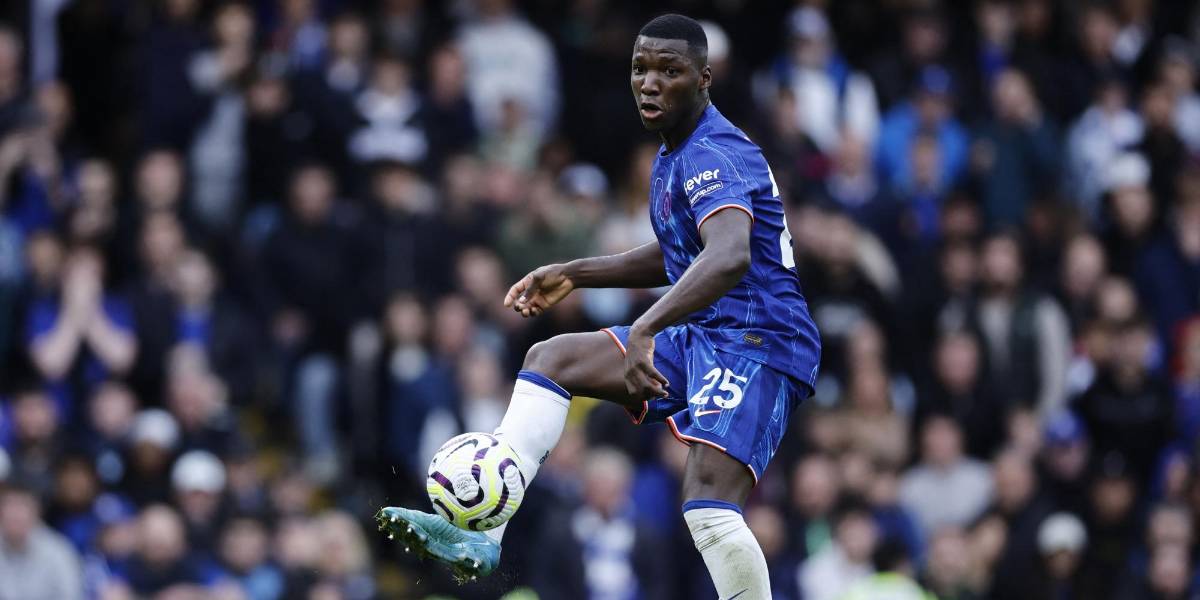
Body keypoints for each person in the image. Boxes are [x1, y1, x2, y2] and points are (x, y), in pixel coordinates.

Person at [378, 14, 822, 599]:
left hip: (760, 341)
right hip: (706, 333)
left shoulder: (716, 152)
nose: (650, 83)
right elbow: (680, 254)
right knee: (551, 359)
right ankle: (483, 534)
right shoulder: (673, 156)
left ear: (704, 78)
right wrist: (575, 272)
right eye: (640, 69)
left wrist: (645, 327)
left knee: (708, 507)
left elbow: (729, 255)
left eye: (669, 70)